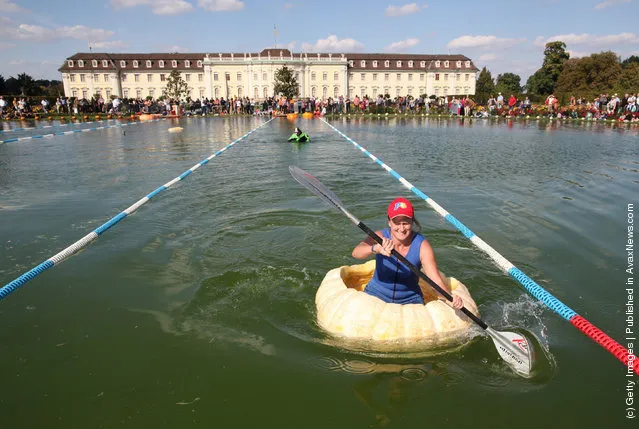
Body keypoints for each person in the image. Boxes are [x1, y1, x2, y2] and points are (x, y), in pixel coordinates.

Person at [352, 197, 463, 308]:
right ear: (389, 222)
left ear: (412, 222)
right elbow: (356, 253)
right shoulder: (379, 236)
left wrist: (449, 298)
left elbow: (435, 281)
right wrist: (376, 248)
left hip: (410, 300)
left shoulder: (422, 246)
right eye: (397, 222)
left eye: (405, 223)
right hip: (375, 293)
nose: (401, 228)